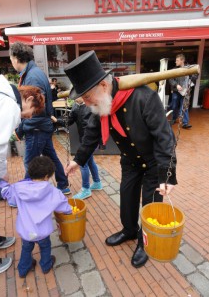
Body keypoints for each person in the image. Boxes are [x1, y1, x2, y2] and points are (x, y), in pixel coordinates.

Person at [63, 50, 177, 268]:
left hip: (154, 163)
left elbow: (165, 139)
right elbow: (92, 134)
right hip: (131, 162)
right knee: (127, 199)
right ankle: (129, 230)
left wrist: (167, 175)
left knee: (150, 205)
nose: (86, 103)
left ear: (104, 86)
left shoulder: (145, 97)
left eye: (87, 97)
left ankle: (145, 243)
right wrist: (78, 160)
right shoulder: (101, 104)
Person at [0, 75, 45, 277]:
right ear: (27, 99)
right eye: (30, 113)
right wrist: (3, 174)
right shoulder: (9, 105)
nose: (27, 117)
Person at [9, 41, 71, 195]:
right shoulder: (34, 73)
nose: (11, 61)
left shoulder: (32, 77)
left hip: (36, 128)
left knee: (30, 163)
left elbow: (35, 112)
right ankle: (63, 185)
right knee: (51, 157)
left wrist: (21, 130)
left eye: (11, 58)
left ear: (16, 58)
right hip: (41, 126)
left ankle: (26, 193)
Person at [0, 156, 72, 277]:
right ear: (46, 177)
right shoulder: (54, 192)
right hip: (42, 232)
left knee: (26, 249)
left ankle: (23, 269)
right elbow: (63, 206)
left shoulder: (18, 188)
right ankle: (46, 265)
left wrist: (4, 183)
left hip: (26, 231)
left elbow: (7, 194)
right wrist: (69, 211)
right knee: (45, 248)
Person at [57, 96, 102, 199]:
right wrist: (57, 120)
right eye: (74, 97)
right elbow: (69, 121)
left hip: (90, 141)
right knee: (90, 161)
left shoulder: (92, 105)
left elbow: (94, 127)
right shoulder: (76, 106)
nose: (75, 99)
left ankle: (86, 189)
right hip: (84, 140)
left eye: (77, 96)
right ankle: (97, 182)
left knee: (83, 164)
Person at [169, 53, 193, 129]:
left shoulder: (189, 68)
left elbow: (195, 76)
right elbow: (170, 79)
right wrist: (176, 85)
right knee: (174, 106)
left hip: (185, 91)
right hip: (176, 91)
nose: (175, 62)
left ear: (182, 60)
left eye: (177, 60)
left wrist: (192, 76)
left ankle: (185, 123)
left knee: (184, 107)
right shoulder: (174, 70)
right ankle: (173, 119)